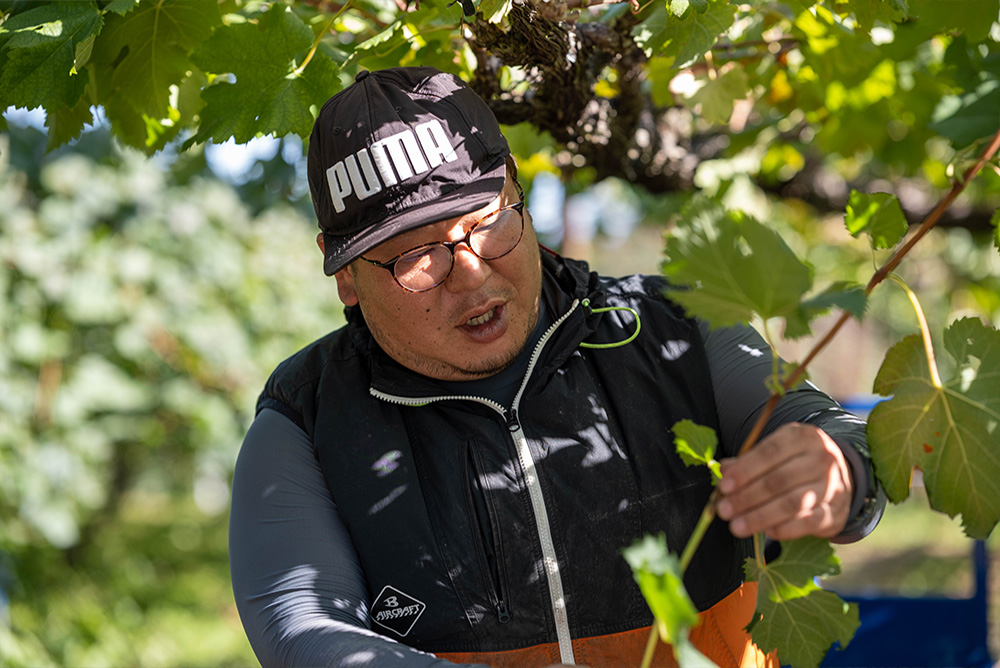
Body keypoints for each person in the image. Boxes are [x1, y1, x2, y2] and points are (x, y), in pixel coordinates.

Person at [228, 66, 885, 668]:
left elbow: (832, 436)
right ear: (345, 274)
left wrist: (840, 468)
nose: (471, 271)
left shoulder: (677, 324)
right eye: (416, 255)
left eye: (487, 220)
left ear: (521, 193)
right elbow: (304, 630)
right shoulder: (307, 419)